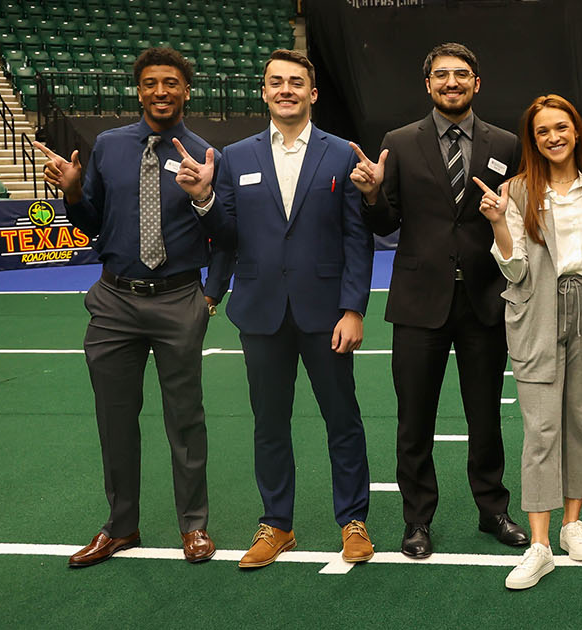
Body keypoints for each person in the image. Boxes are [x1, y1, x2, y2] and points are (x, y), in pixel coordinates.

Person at [174, 49, 375, 569]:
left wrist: (354, 308)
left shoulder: (342, 154)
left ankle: (353, 520)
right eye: (275, 82)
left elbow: (358, 239)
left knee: (342, 420)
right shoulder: (235, 157)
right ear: (263, 92)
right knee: (269, 423)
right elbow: (227, 236)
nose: (285, 89)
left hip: (327, 312)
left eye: (296, 82)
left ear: (313, 92)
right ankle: (277, 523)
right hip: (261, 311)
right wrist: (203, 201)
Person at [36, 46, 228, 568]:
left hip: (179, 299)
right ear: (138, 90)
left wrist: (212, 292)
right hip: (114, 302)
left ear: (187, 91)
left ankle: (194, 526)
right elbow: (91, 227)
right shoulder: (108, 146)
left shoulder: (208, 155)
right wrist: (73, 194)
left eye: (171, 83)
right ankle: (121, 526)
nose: (160, 91)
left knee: (185, 420)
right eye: (150, 83)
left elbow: (226, 235)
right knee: (114, 418)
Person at [352, 42, 528, 557]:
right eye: (442, 75)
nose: (452, 82)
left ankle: (493, 509)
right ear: (427, 84)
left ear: (478, 82)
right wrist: (372, 195)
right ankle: (417, 519)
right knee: (415, 418)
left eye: (462, 75)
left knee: (485, 416)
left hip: (484, 301)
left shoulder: (506, 143)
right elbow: (386, 223)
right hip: (417, 301)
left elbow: (514, 219)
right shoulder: (399, 143)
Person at [477, 94, 582, 590]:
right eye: (542, 131)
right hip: (537, 310)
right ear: (533, 139)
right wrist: (498, 222)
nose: (554, 137)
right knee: (541, 429)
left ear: (576, 131)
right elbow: (514, 268)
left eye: (562, 127)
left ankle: (571, 525)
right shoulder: (515, 190)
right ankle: (539, 545)